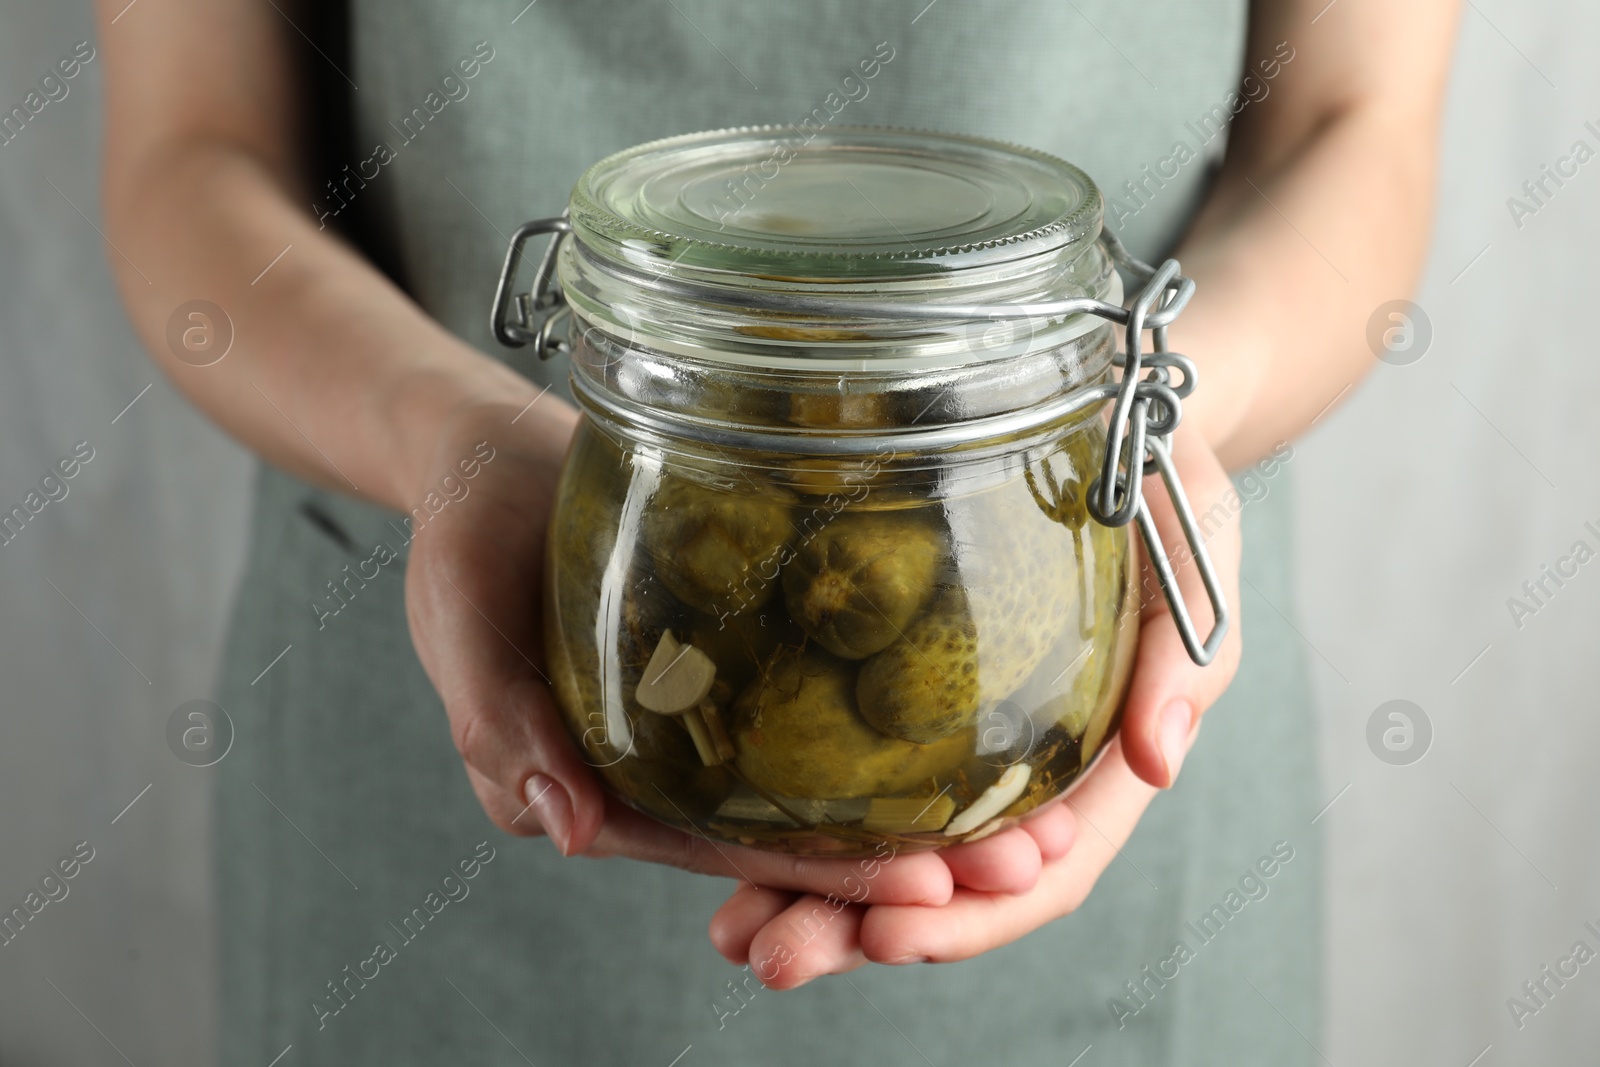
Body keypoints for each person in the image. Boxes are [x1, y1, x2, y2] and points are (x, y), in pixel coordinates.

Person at [96, 0, 1459, 1062]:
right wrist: (453, 437)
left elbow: (1354, 120)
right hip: (418, 752)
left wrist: (1153, 421)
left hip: (1116, 697)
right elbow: (190, 147)